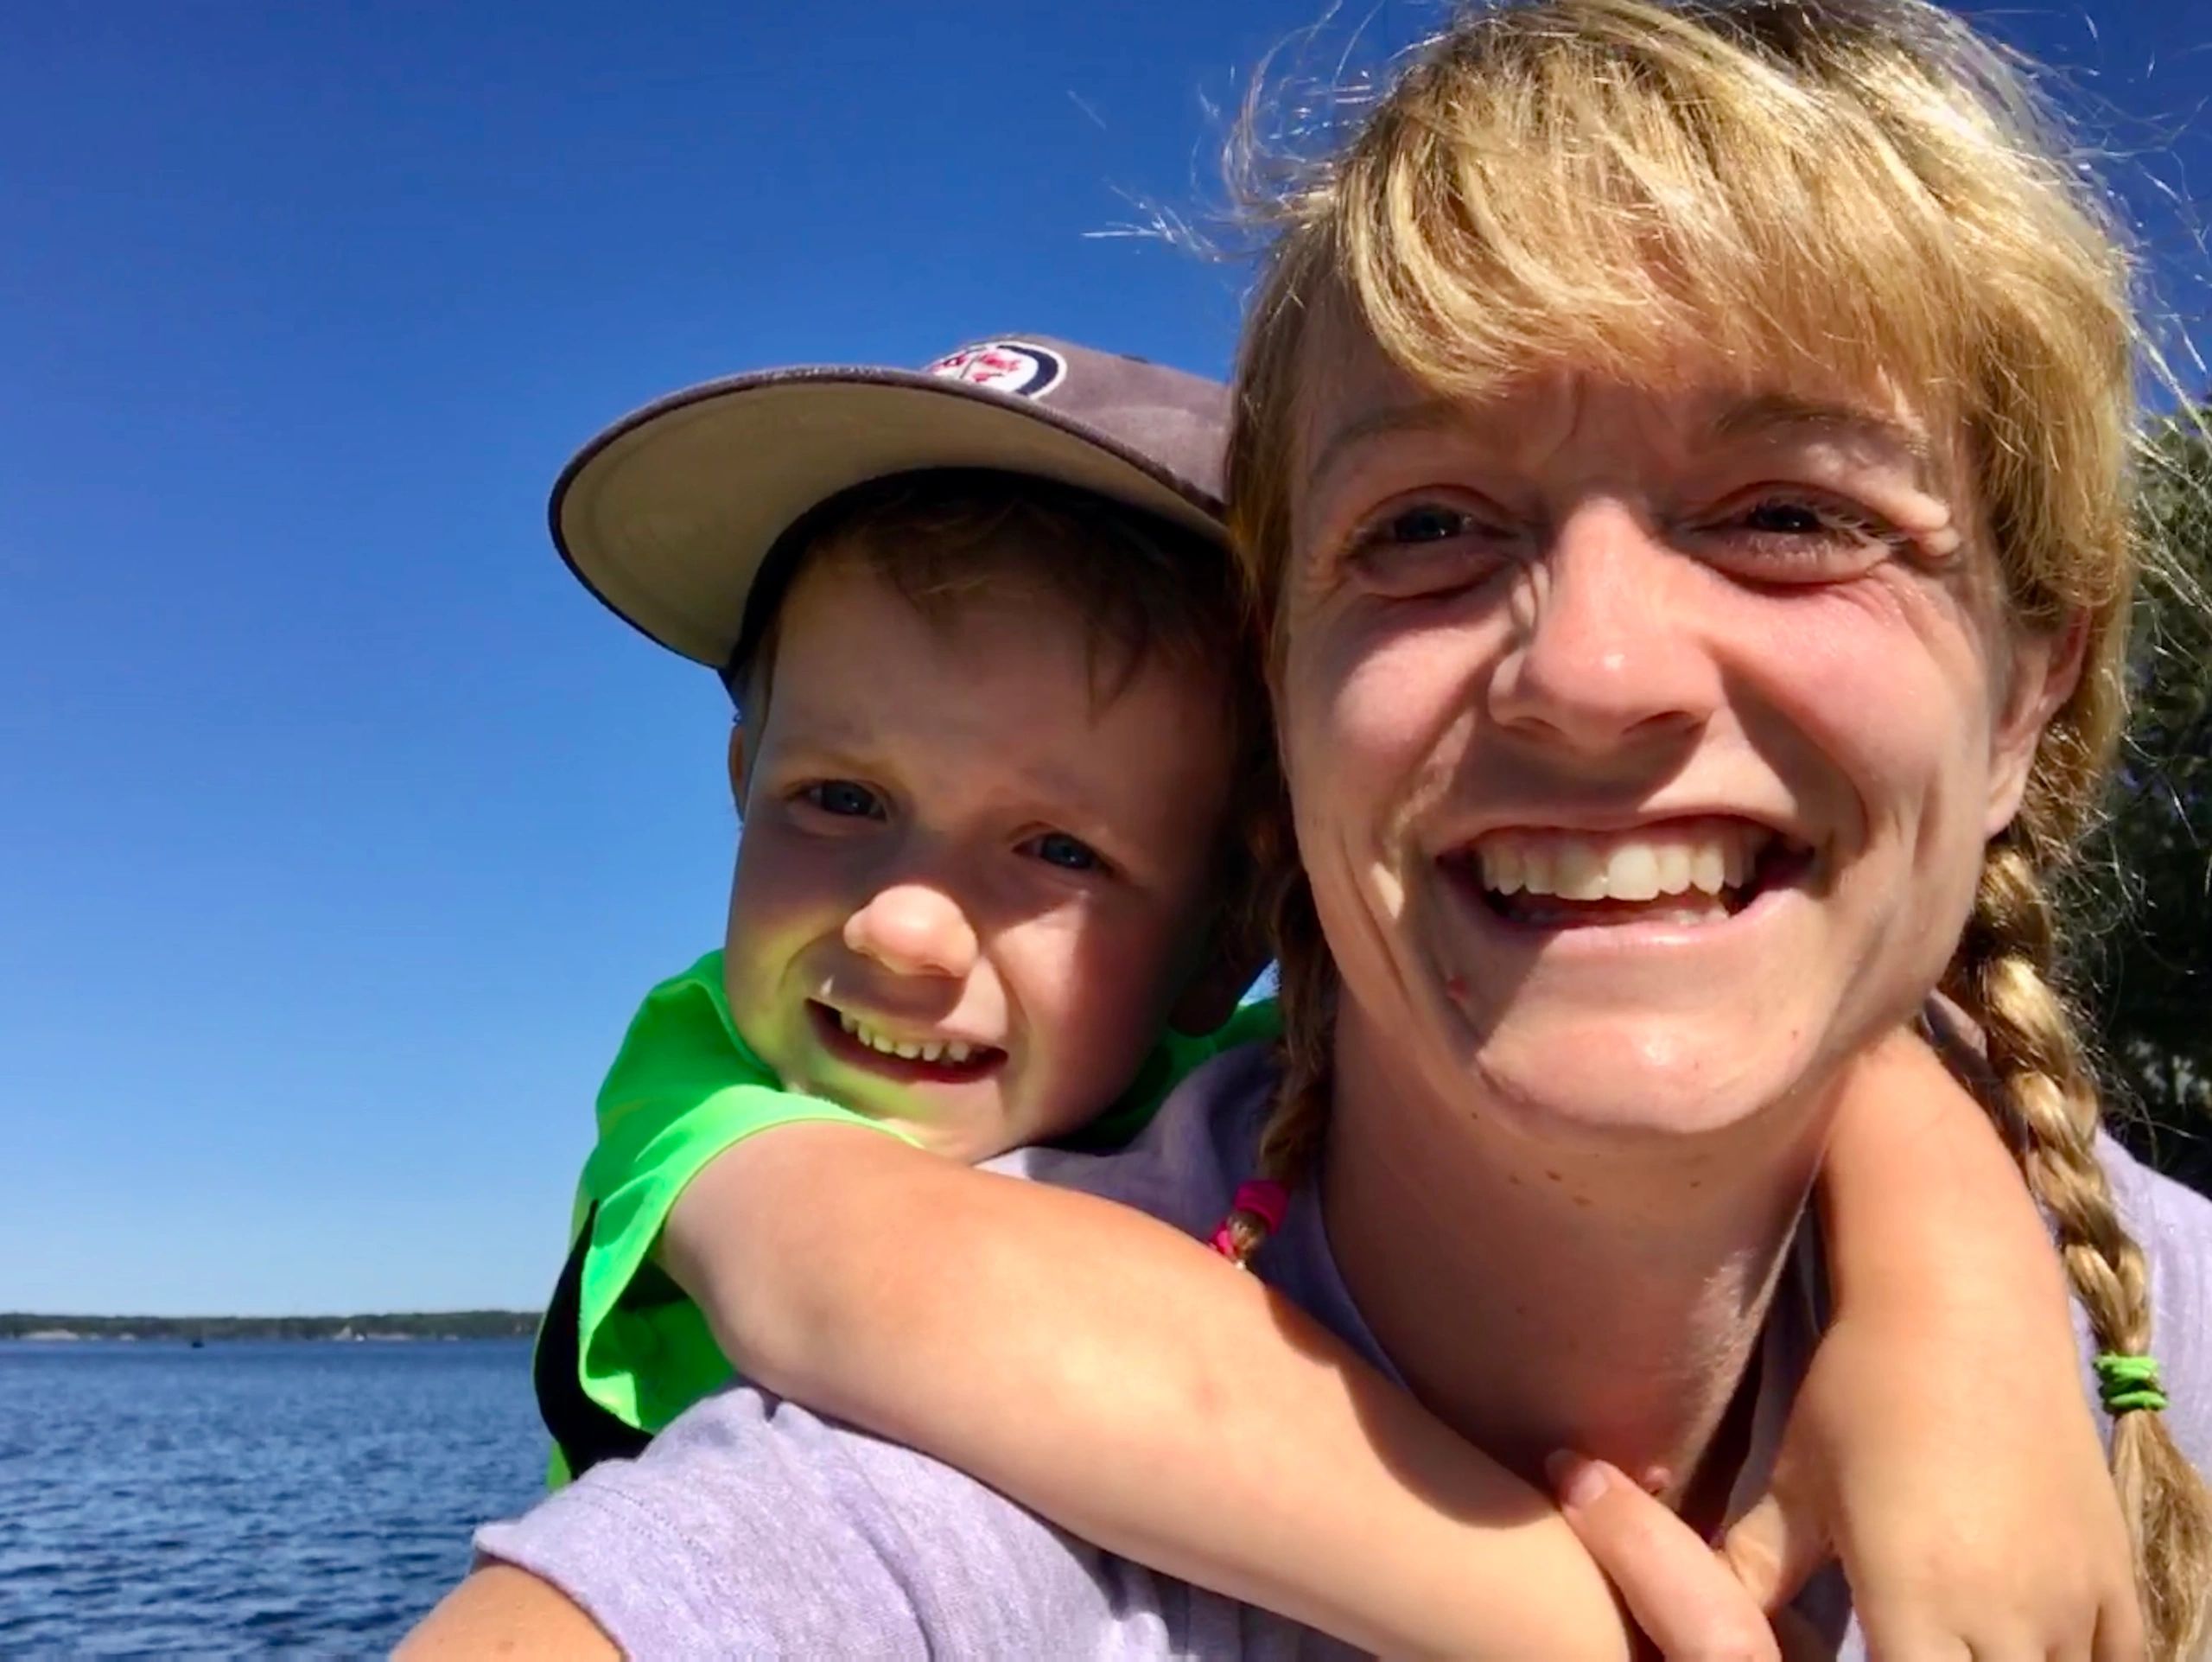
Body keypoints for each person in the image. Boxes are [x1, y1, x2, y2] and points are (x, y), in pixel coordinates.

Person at [402, 3, 2212, 1631]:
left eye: (1788, 513)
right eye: (1425, 526)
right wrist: (1560, 1612)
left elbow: (1821, 1029)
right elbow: (943, 1310)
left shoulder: (2083, 1272)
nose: (899, 923)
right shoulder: (725, 1119)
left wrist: (1959, 1306)